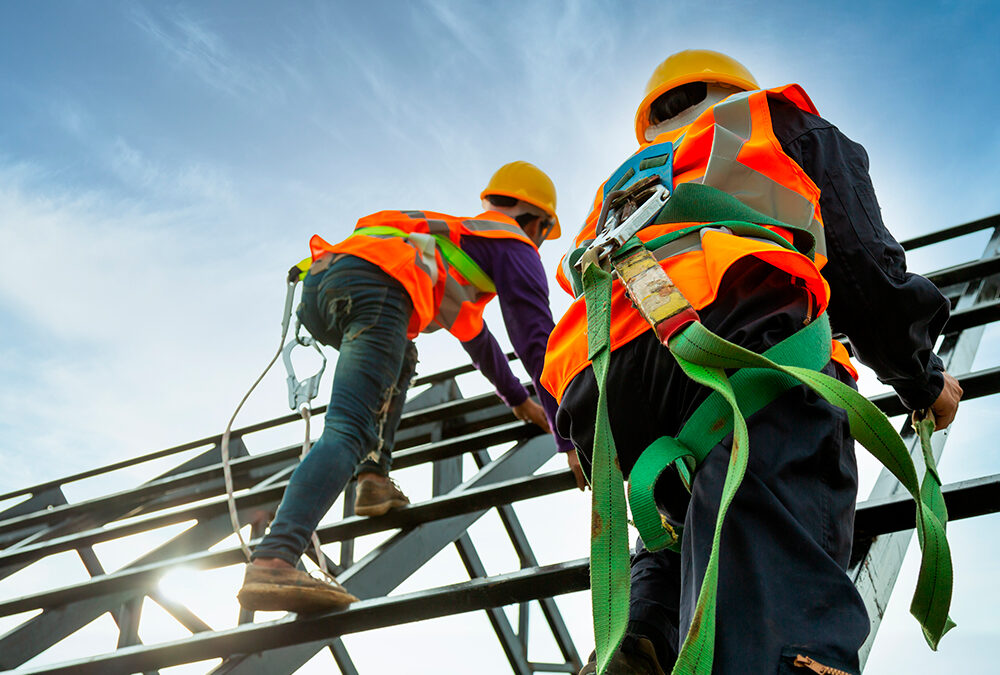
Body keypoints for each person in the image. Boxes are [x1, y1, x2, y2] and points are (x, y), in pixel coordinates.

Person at [540, 51, 963, 674]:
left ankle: (645, 631)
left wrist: (573, 436)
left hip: (599, 391)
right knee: (771, 556)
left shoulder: (621, 187)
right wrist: (922, 380)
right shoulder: (774, 119)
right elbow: (862, 264)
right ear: (735, 87)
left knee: (682, 519)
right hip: (741, 333)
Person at [238, 161, 574, 613]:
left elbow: (480, 341)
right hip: (377, 288)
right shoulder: (513, 243)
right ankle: (276, 557)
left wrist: (517, 400)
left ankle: (373, 479)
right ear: (537, 221)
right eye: (542, 234)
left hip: (324, 286)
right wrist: (568, 435)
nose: (537, 245)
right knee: (348, 429)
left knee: (402, 356)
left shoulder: (453, 247)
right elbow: (538, 344)